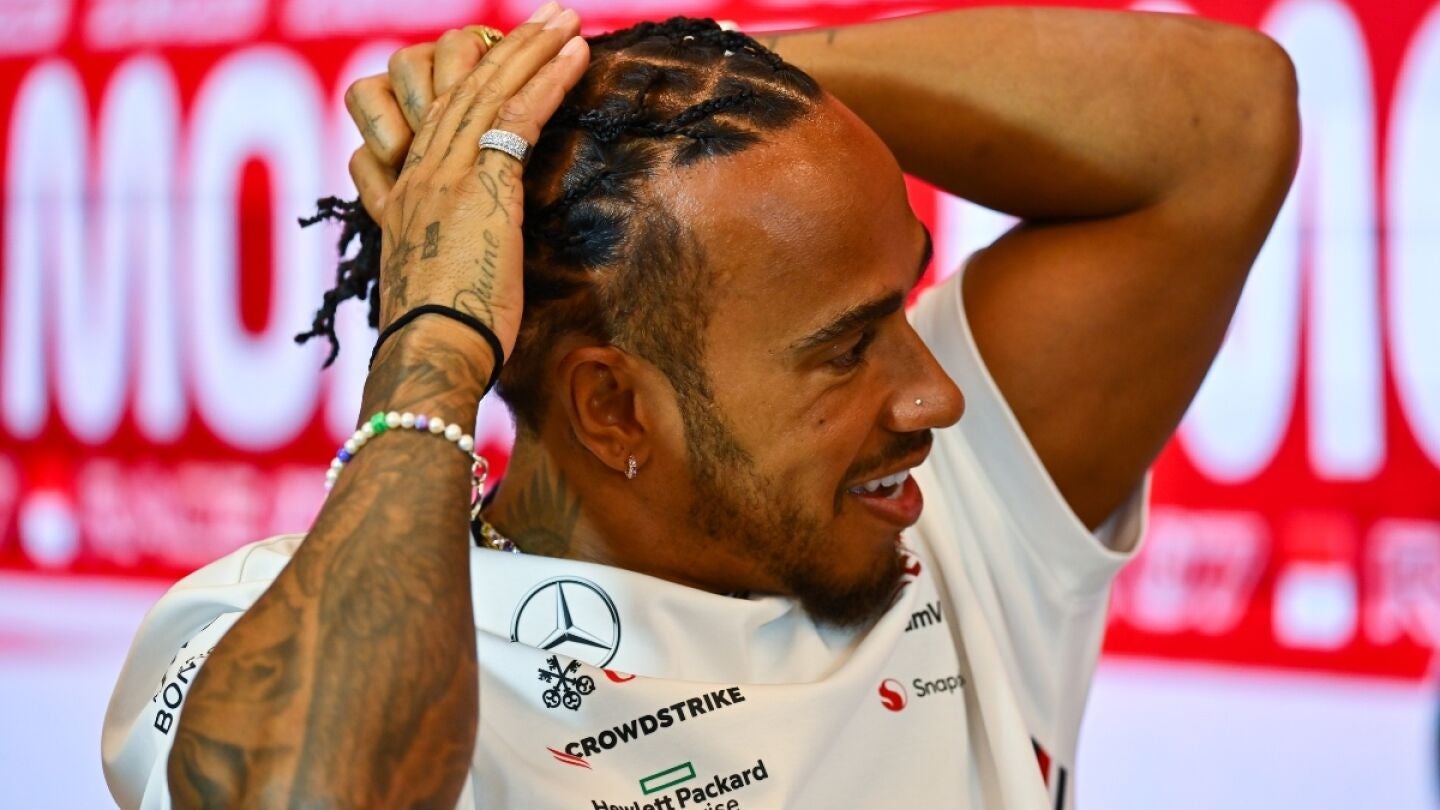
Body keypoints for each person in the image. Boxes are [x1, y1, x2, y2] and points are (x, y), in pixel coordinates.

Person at [102, 5, 1298, 808]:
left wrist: (643, 85)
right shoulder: (256, 622)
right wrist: (436, 339)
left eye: (902, 306)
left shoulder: (941, 517)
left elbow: (1229, 121)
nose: (933, 393)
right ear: (615, 411)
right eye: (846, 349)